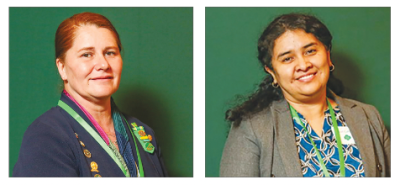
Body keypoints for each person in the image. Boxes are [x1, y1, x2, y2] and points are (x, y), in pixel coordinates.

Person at [220, 13, 390, 177]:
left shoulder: (368, 116)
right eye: (287, 59)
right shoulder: (252, 128)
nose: (303, 65)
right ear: (272, 72)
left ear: (327, 55)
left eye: (310, 51)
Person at [13, 12, 167, 177]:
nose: (103, 64)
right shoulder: (46, 137)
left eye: (110, 53)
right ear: (62, 67)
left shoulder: (143, 133)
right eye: (87, 54)